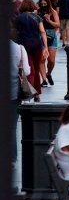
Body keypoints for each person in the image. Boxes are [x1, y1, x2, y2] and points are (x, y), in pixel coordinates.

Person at [14, 0, 48, 102]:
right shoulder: (37, 17)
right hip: (37, 44)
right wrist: (45, 47)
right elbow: (42, 32)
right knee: (36, 69)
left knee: (29, 70)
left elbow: (14, 32)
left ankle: (29, 93)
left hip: (24, 45)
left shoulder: (18, 18)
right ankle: (37, 94)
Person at [10, 38, 30, 169]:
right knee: (11, 127)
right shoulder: (20, 49)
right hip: (13, 94)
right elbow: (27, 71)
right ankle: (11, 158)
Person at [37, 0, 60, 87]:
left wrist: (49, 20)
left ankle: (48, 73)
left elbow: (58, 24)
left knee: (51, 60)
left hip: (51, 36)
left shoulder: (53, 12)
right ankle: (44, 79)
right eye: (41, 4)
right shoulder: (37, 12)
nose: (43, 5)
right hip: (40, 36)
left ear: (48, 3)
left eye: (45, 4)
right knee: (42, 59)